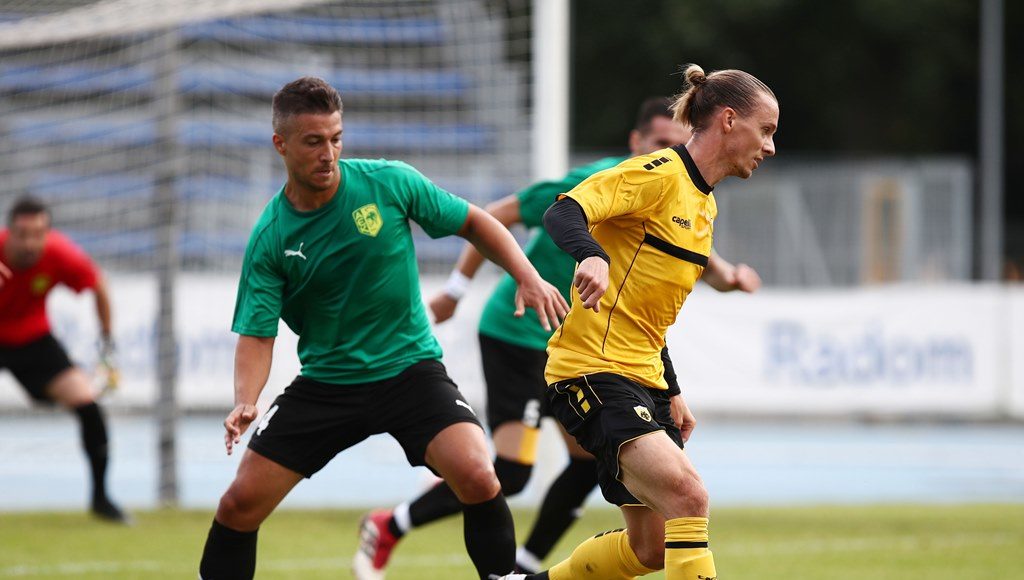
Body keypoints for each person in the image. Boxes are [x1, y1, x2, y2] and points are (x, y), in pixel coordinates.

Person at [356, 98, 761, 578]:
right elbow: (496, 216)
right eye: (660, 142)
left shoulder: (687, 198)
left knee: (624, 513)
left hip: (614, 355)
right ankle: (393, 525)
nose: (671, 151)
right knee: (515, 472)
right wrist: (456, 291)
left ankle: (525, 570)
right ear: (637, 141)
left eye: (678, 143)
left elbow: (664, 290)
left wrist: (676, 377)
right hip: (522, 334)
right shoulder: (612, 179)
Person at [197, 76, 568, 580]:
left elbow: (475, 222)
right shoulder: (271, 236)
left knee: (479, 475)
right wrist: (246, 399)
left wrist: (527, 275)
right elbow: (258, 334)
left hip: (410, 371)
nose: (328, 154)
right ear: (280, 144)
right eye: (313, 141)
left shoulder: (388, 182)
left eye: (336, 138)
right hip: (328, 384)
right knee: (239, 504)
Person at [494, 64, 779, 580]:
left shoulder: (704, 207)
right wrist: (591, 254)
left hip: (643, 378)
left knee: (651, 548)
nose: (771, 147)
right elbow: (563, 211)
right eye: (766, 130)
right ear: (729, 120)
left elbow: (647, 314)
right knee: (689, 496)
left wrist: (672, 388)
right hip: (592, 371)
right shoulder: (657, 174)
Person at [0, 196, 127, 523]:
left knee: (89, 406)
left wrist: (107, 344)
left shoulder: (59, 254)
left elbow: (98, 285)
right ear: (9, 232)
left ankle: (101, 499)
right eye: (23, 234)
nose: (30, 243)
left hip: (33, 340)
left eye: (38, 234)